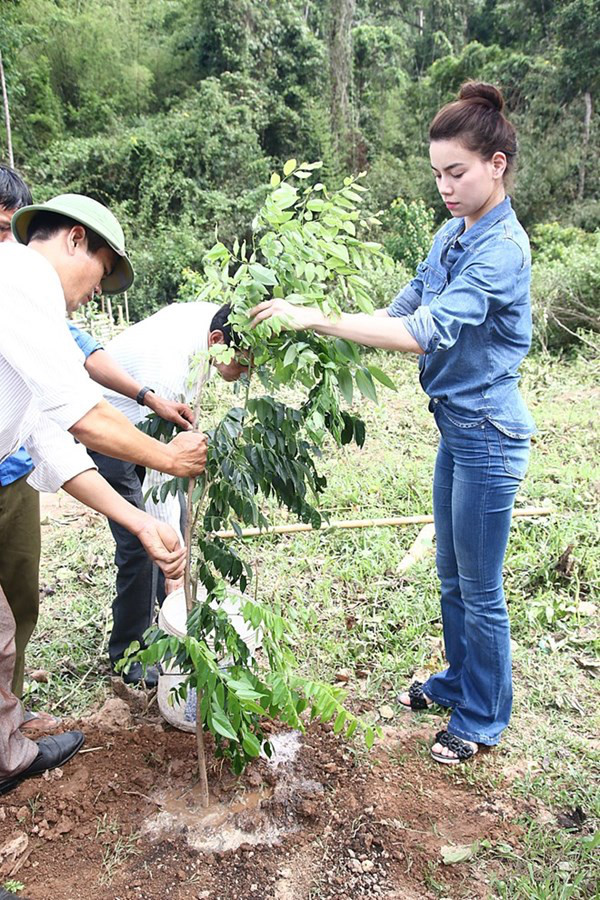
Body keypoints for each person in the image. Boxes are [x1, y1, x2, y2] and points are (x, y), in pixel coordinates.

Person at [250, 82, 535, 765]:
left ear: (496, 165)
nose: (445, 186)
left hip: (490, 435)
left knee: (481, 586)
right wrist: (310, 315)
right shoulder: (452, 233)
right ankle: (457, 680)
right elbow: (402, 304)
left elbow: (422, 332)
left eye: (457, 172)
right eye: (437, 173)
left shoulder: (502, 250)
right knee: (450, 574)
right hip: (457, 429)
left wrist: (314, 318)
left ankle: (482, 718)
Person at [0, 192, 207, 795]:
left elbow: (52, 440)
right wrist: (168, 456)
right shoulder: (20, 281)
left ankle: (7, 746)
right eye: (101, 272)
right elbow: (83, 416)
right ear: (72, 240)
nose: (96, 292)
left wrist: (139, 521)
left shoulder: (29, 307)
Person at [89, 301, 249, 683]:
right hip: (108, 430)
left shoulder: (214, 323)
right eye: (242, 363)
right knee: (142, 543)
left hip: (142, 427)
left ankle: (172, 627)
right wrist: (170, 559)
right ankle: (129, 655)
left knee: (169, 531)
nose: (244, 373)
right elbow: (165, 478)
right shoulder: (169, 368)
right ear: (217, 341)